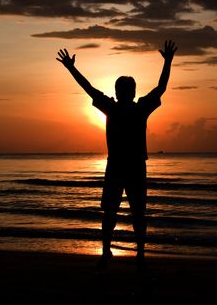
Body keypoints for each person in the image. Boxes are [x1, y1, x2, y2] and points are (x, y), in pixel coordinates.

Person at [56, 40, 177, 270]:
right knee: (135, 212)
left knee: (114, 211)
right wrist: (168, 62)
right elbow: (161, 88)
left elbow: (88, 88)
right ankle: (135, 253)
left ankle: (108, 251)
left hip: (119, 167)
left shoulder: (113, 107)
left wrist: (71, 68)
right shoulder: (139, 108)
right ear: (131, 92)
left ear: (119, 92)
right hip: (132, 167)